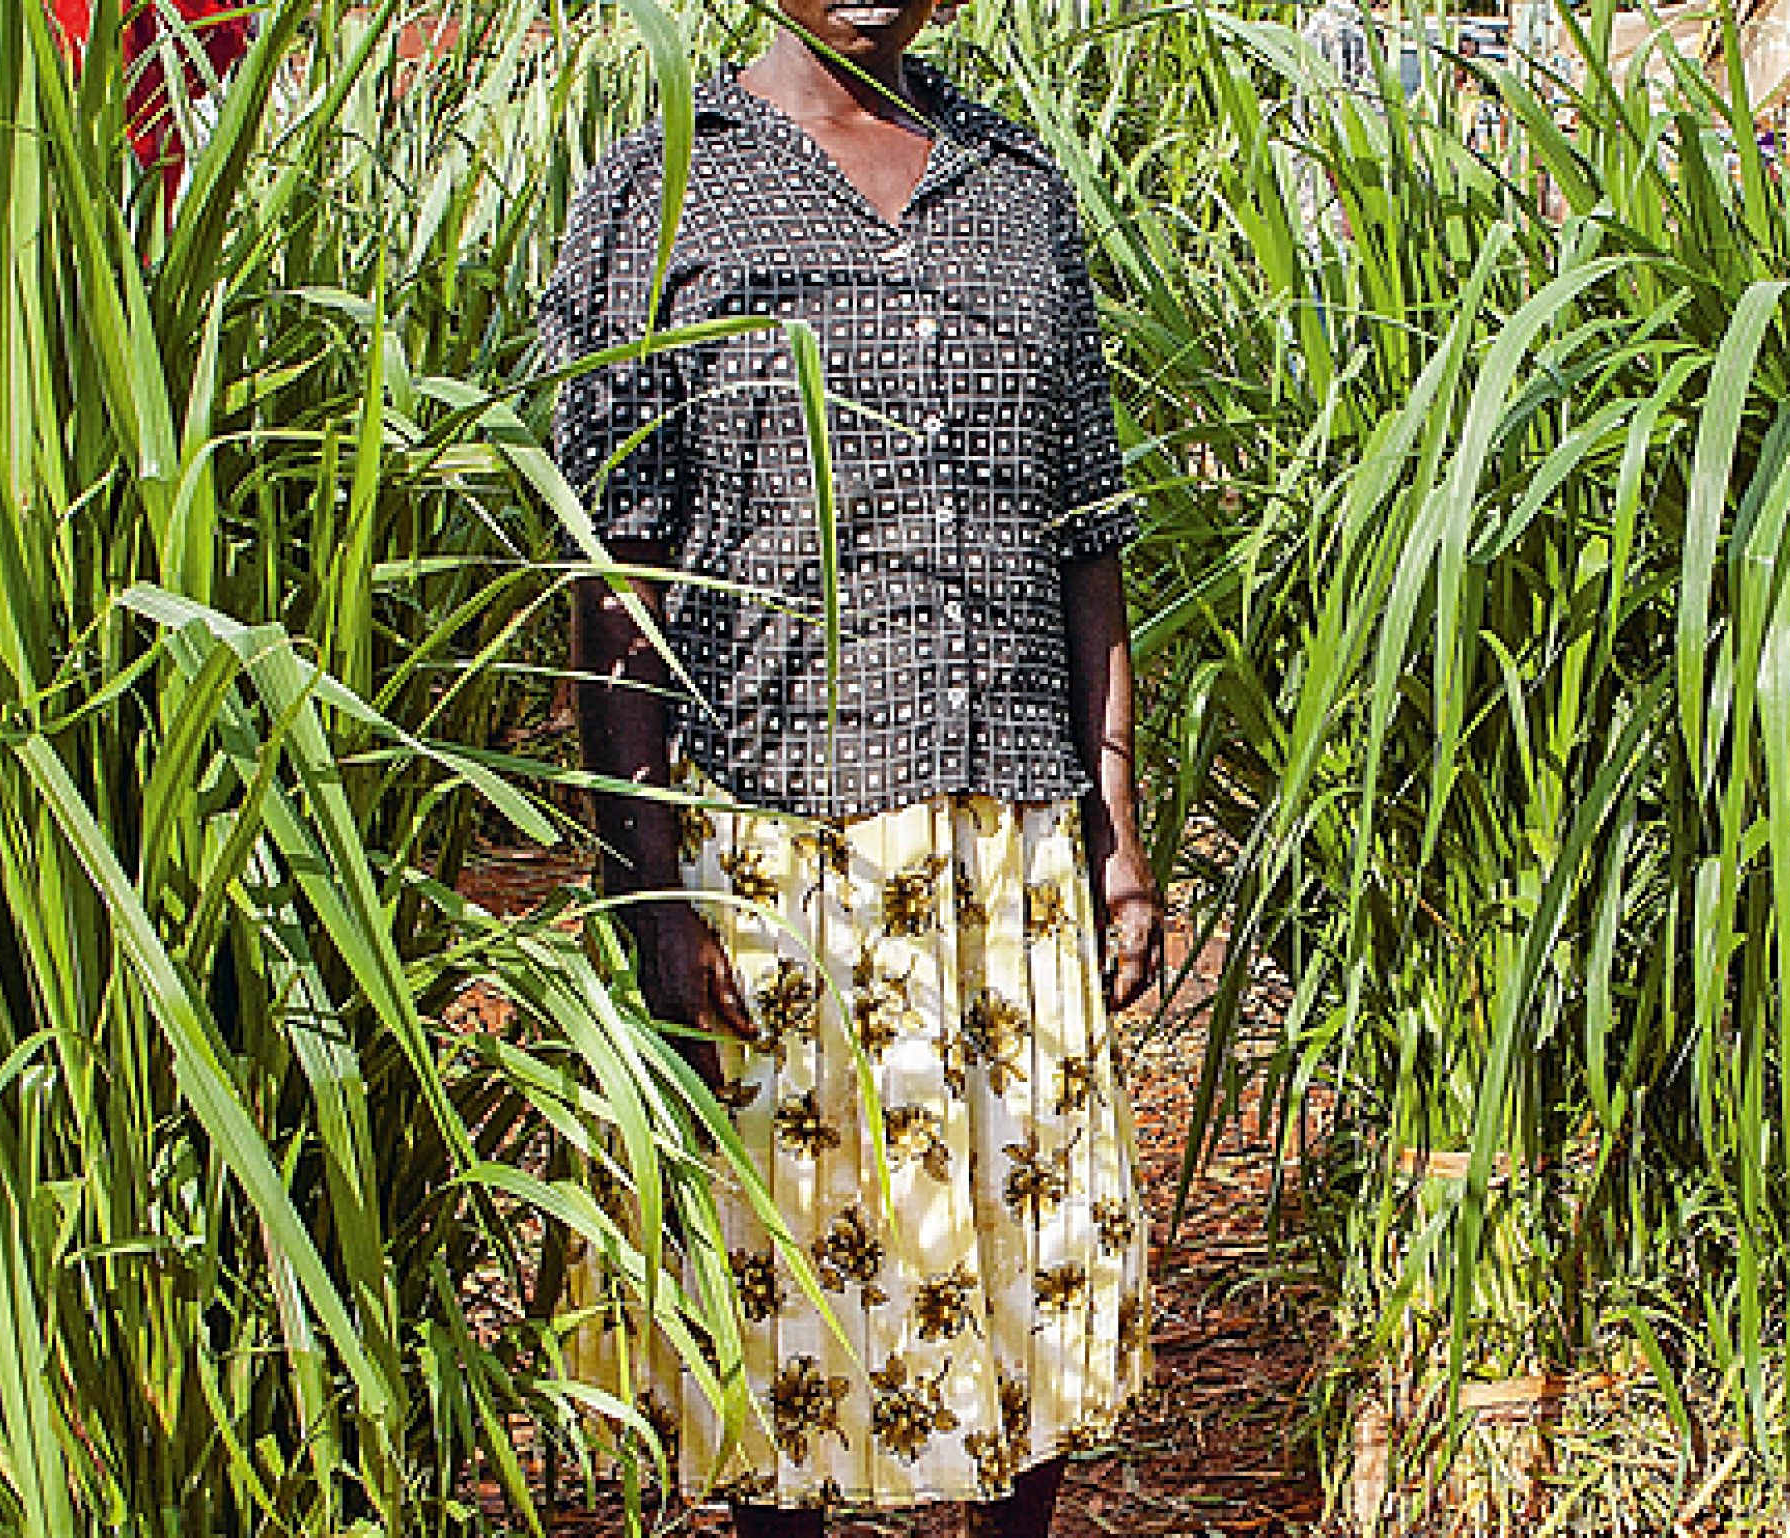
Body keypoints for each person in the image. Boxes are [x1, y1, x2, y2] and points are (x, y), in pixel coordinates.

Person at [538, 2, 1162, 1533]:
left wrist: (1116, 822)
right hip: (779, 842)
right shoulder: (658, 190)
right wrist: (649, 882)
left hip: (1010, 830)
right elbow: (610, 567)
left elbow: (1086, 535)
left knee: (1032, 1264)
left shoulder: (1014, 190)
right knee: (789, 1288)